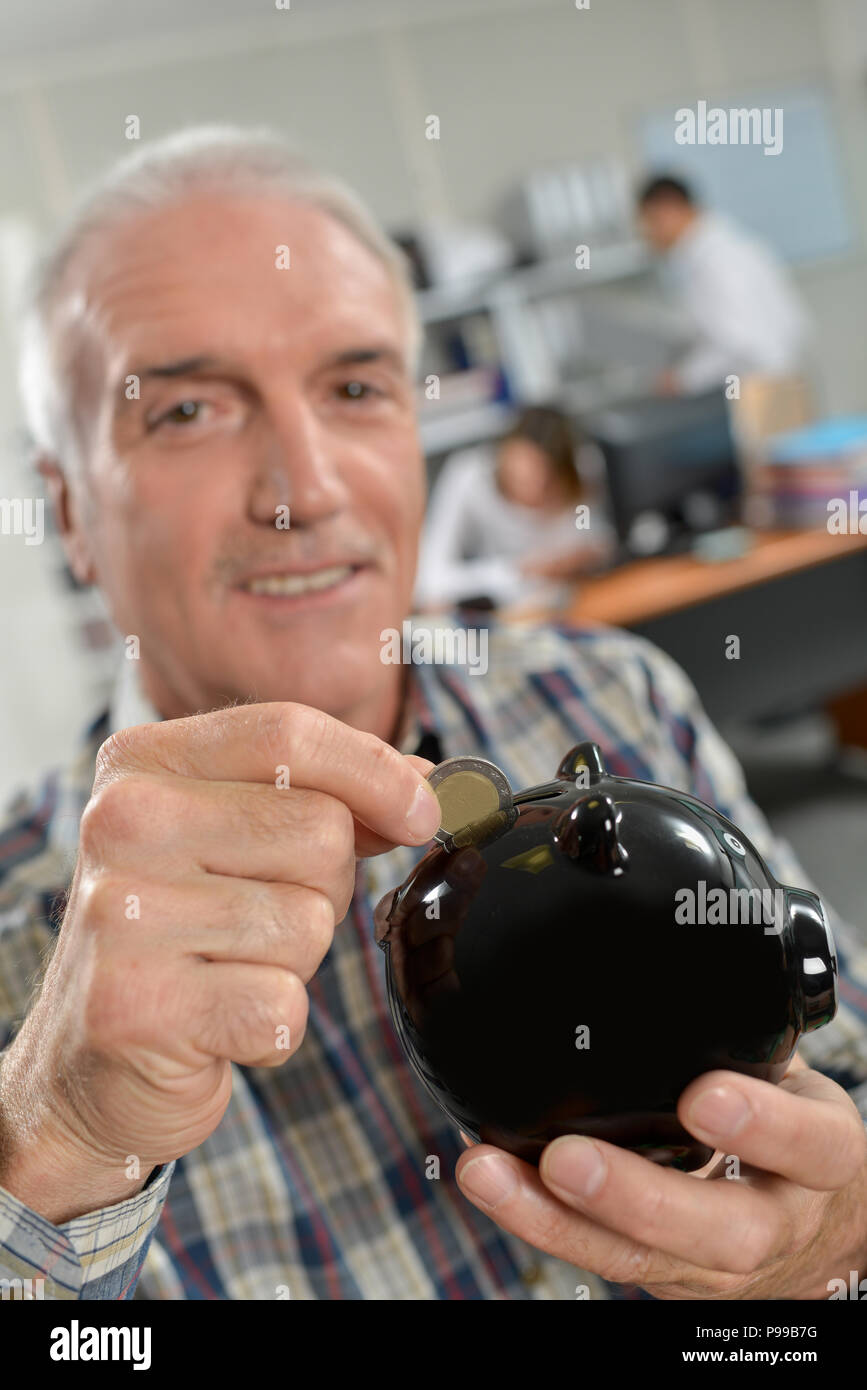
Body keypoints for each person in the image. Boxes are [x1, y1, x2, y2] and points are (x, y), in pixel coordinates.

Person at [0, 126, 865, 1302]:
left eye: (355, 387)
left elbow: (844, 1068)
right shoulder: (16, 924)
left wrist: (830, 1247)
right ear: (72, 516)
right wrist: (49, 1152)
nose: (302, 489)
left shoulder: (606, 693)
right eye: (188, 412)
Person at [414, 406, 615, 611]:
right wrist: (517, 571)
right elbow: (430, 582)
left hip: (571, 602)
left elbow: (601, 542)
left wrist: (581, 557)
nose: (534, 489)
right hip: (497, 610)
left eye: (546, 482)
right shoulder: (469, 477)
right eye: (522, 479)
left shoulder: (583, 468)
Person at [636, 174, 811, 397]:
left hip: (766, 386)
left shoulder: (718, 260)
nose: (648, 235)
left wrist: (683, 379)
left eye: (650, 222)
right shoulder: (717, 249)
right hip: (778, 376)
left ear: (669, 211)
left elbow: (737, 342)